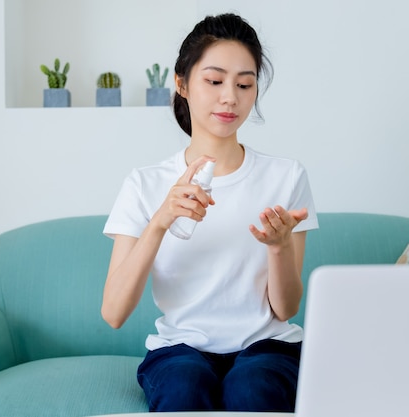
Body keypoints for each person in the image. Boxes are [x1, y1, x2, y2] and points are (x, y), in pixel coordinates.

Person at [101, 12, 318, 412]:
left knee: (252, 388)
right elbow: (113, 313)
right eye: (215, 81)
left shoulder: (286, 176)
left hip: (267, 348)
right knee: (183, 385)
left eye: (245, 84)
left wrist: (278, 247)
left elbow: (285, 309)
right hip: (180, 349)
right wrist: (160, 221)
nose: (230, 97)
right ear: (182, 83)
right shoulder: (144, 184)